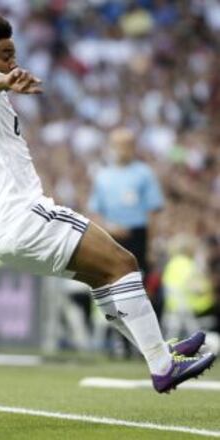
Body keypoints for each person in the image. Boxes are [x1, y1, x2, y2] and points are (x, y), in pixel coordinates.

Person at [0, 13, 215, 393]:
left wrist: (3, 77)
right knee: (124, 264)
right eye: (5, 55)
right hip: (24, 216)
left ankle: (158, 354)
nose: (13, 62)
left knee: (103, 277)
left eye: (14, 55)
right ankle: (162, 365)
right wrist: (3, 79)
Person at [87, 127, 165, 357]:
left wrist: (150, 246)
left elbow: (153, 212)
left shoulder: (143, 173)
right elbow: (95, 212)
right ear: (112, 147)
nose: (124, 149)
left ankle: (152, 346)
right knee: (113, 289)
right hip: (111, 238)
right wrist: (107, 229)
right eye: (120, 144)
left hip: (138, 237)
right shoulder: (103, 176)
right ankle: (119, 343)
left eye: (128, 144)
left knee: (144, 290)